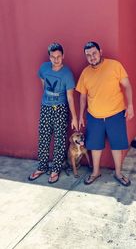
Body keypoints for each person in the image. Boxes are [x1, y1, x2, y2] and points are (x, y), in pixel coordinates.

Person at [76, 41, 134, 186]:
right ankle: (96, 172)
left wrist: (130, 105)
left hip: (115, 113)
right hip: (94, 116)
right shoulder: (85, 72)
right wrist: (81, 115)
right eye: (88, 55)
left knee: (117, 145)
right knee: (94, 145)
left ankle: (119, 173)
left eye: (94, 53)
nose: (92, 57)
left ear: (100, 51)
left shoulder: (115, 65)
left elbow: (127, 86)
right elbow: (83, 96)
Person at [29, 42, 78, 184]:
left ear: (63, 56)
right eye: (53, 57)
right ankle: (42, 166)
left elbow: (70, 97)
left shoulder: (67, 74)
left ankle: (56, 169)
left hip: (60, 109)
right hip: (45, 107)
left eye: (58, 57)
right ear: (49, 57)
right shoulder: (43, 68)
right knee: (43, 138)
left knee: (59, 140)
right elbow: (42, 82)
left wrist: (74, 117)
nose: (56, 60)